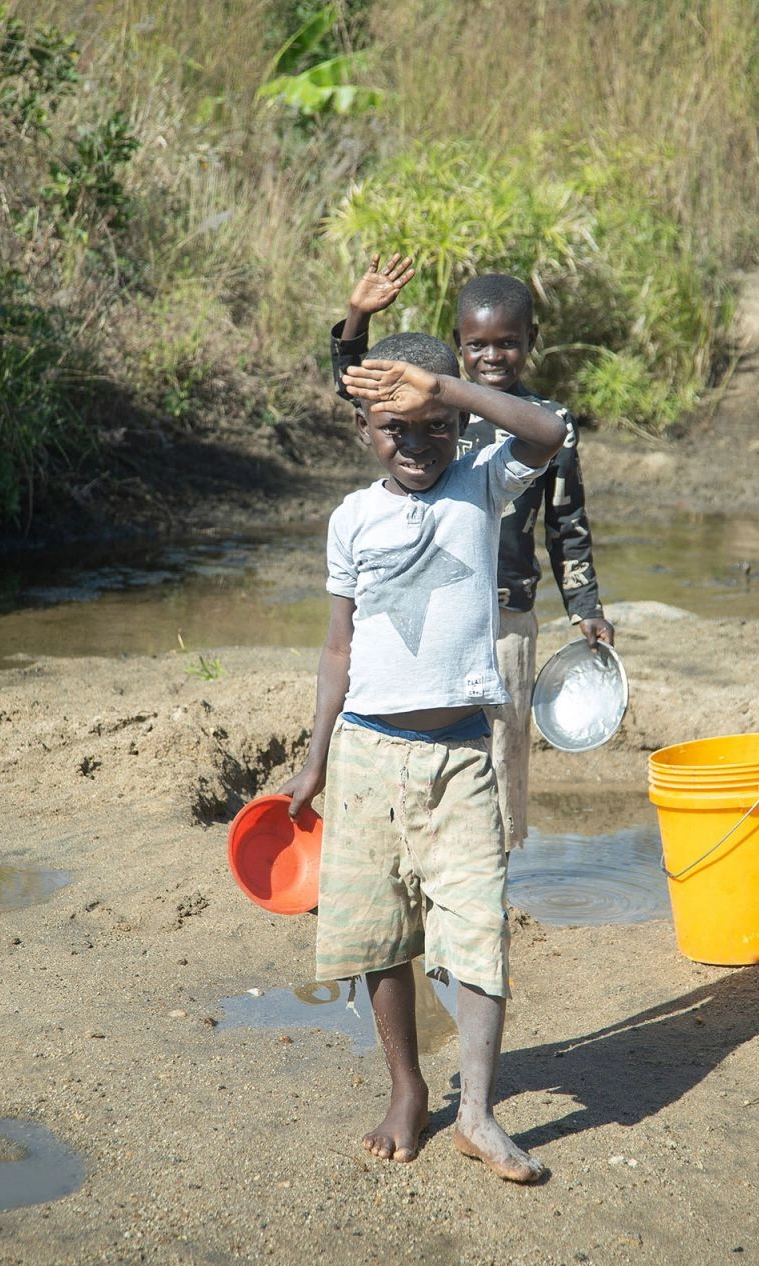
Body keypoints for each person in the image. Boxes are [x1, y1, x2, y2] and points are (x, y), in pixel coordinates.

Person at [277, 329, 567, 1183]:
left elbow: (547, 432)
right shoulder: (352, 517)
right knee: (380, 931)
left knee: (477, 930)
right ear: (367, 428)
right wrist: (315, 756)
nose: (414, 445)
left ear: (451, 422)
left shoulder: (481, 483)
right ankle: (408, 1087)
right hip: (367, 754)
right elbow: (339, 649)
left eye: (430, 426)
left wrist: (445, 391)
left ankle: (476, 1110)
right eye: (392, 428)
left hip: (461, 757)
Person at [331, 256, 613, 851]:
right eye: (478, 345)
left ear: (531, 343)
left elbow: (568, 520)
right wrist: (356, 318)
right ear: (458, 348)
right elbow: (364, 393)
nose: (493, 357)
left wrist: (585, 604)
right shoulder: (438, 414)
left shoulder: (543, 423)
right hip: (431, 614)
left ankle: (492, 872)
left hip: (505, 615)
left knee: (502, 749)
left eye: (508, 344)